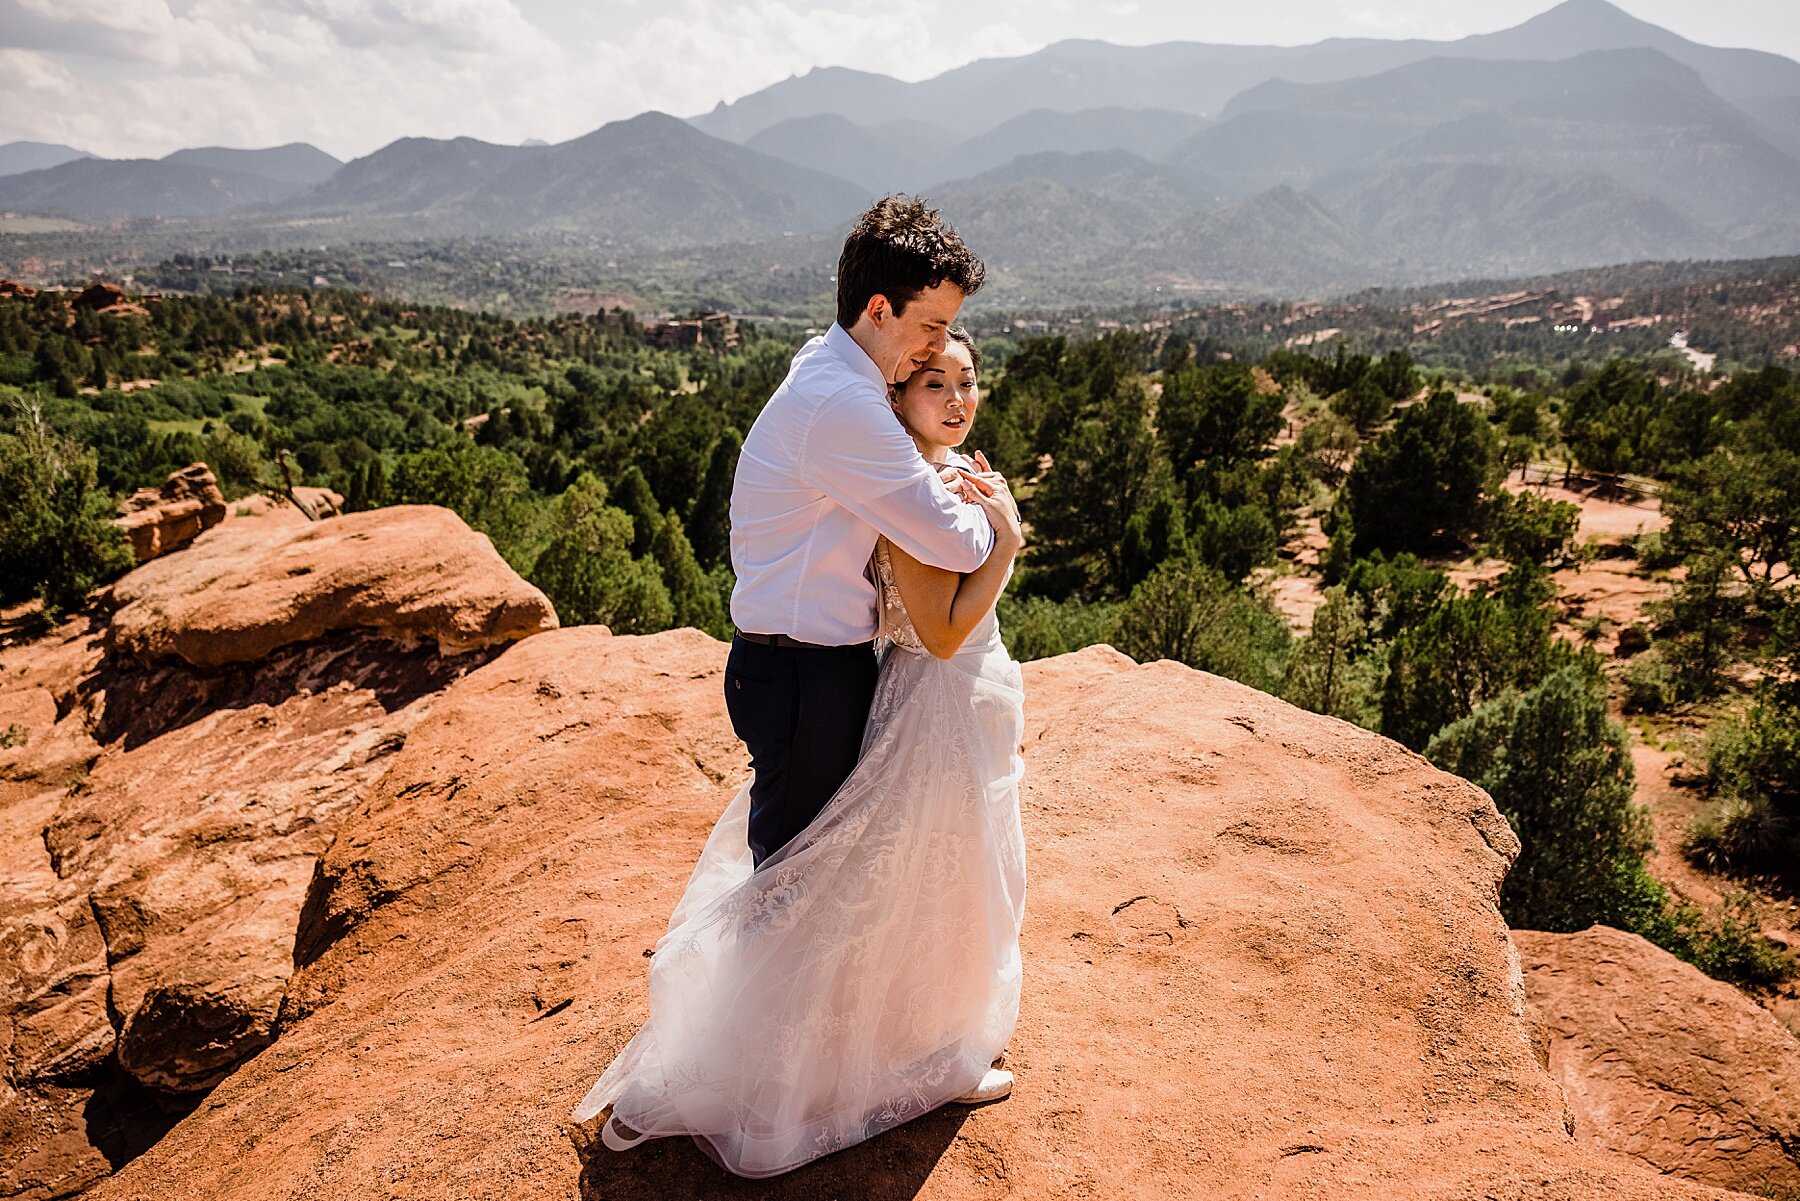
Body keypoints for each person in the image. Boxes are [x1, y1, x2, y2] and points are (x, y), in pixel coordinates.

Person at [568, 307, 1030, 1178]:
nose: (959, 396)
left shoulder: (929, 474)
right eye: (936, 381)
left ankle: (915, 1045)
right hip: (935, 702)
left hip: (943, 701)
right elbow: (939, 629)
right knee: (914, 876)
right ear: (897, 397)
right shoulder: (913, 493)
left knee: (935, 879)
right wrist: (1006, 541)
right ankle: (814, 1070)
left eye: (967, 380)